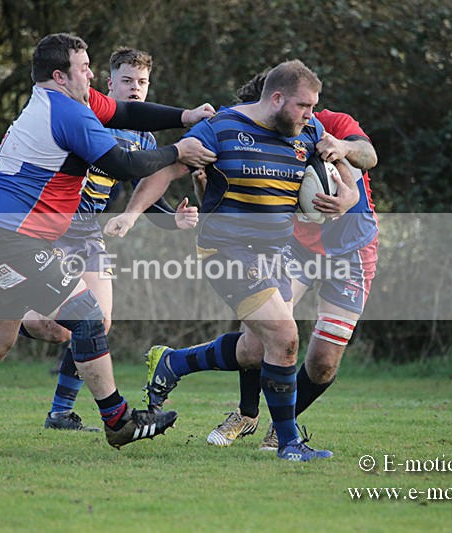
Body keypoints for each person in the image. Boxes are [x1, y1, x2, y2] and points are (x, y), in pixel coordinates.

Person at [0, 33, 216, 455]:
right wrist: (179, 150)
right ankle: (118, 421)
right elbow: (122, 163)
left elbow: (123, 111)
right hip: (7, 240)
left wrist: (185, 114)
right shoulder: (67, 112)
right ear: (60, 75)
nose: (90, 75)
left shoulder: (67, 102)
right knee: (86, 315)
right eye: (84, 69)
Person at [109, 60, 360, 461]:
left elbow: (348, 170)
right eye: (304, 106)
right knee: (286, 337)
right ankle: (289, 444)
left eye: (313, 107)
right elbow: (168, 168)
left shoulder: (308, 131)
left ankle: (173, 363)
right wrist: (131, 214)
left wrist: (346, 197)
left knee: (256, 350)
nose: (311, 115)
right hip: (225, 251)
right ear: (276, 98)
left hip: (274, 254)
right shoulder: (222, 128)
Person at [0, 47, 200, 433]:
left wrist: (173, 219)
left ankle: (60, 412)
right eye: (126, 81)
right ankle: (11, 321)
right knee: (59, 325)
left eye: (142, 83)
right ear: (109, 83)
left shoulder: (144, 136)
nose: (135, 89)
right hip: (53, 227)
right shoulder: (85, 115)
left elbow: (144, 193)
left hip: (88, 231)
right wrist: (178, 153)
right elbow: (122, 164)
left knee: (95, 323)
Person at [201, 71, 379, 450]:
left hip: (351, 250)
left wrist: (343, 150)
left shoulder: (329, 123)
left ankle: (284, 425)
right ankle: (248, 415)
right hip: (294, 248)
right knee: (264, 335)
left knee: (323, 363)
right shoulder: (256, 143)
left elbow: (369, 155)